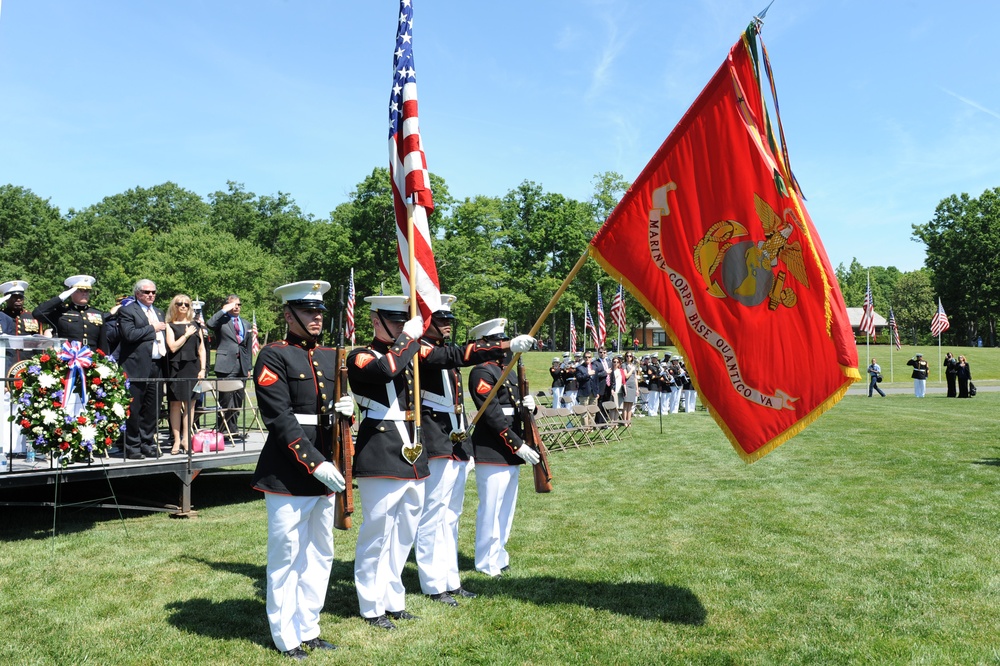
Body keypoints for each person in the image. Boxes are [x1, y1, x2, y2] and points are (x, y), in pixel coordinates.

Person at [251, 280, 353, 659]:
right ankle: (285, 636)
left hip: (326, 472)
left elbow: (334, 410)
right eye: (308, 311)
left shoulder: (329, 355)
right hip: (290, 473)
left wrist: (349, 411)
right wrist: (315, 463)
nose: (316, 318)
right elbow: (280, 420)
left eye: (319, 311)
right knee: (287, 557)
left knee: (320, 554)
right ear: (288, 314)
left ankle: (308, 627)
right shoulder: (273, 356)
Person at [414, 295, 533, 607]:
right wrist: (504, 346)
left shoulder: (441, 351)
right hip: (435, 438)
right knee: (434, 513)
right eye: (441, 319)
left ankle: (450, 580)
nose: (447, 324)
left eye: (449, 319)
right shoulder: (421, 349)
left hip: (454, 439)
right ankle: (432, 583)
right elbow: (454, 356)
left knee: (451, 515)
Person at [346, 295, 427, 630]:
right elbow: (384, 371)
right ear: (376, 321)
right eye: (394, 321)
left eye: (403, 321)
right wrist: (408, 337)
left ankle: (394, 598)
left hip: (411, 447)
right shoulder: (361, 355)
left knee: (404, 532)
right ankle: (371, 604)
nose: (400, 326)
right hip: (380, 448)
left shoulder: (406, 352)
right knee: (377, 532)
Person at [468, 318, 540, 578]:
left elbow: (515, 407)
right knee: (491, 509)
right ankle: (486, 561)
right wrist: (517, 445)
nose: (503, 346)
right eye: (497, 341)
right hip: (492, 448)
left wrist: (531, 407)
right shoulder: (481, 372)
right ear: (484, 344)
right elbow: (492, 414)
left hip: (510, 449)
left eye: (503, 340)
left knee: (506, 509)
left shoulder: (506, 371)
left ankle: (499, 555)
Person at [117, 279, 168, 459]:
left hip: (157, 364)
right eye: (147, 292)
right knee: (134, 407)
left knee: (152, 408)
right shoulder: (128, 311)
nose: (151, 295)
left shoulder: (159, 312)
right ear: (138, 294)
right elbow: (129, 335)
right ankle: (132, 446)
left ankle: (147, 443)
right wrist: (152, 328)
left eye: (153, 292)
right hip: (136, 365)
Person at [207, 295, 253, 444]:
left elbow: (247, 346)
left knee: (238, 399)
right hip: (226, 364)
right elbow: (210, 323)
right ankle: (223, 430)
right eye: (233, 304)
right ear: (227, 306)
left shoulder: (245, 323)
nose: (237, 307)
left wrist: (249, 366)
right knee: (226, 399)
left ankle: (233, 430)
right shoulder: (222, 321)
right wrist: (224, 310)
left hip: (242, 365)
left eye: (239, 304)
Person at [165, 294, 206, 455]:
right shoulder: (169, 325)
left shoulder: (196, 325)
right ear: (174, 306)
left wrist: (203, 369)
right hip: (176, 369)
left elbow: (201, 349)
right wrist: (186, 334)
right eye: (179, 303)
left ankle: (186, 439)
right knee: (175, 405)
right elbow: (172, 347)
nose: (183, 306)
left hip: (193, 369)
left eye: (186, 304)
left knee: (191, 405)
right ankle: (176, 440)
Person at [32, 275, 109, 354]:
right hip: (67, 358)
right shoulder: (61, 312)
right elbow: (37, 313)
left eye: (87, 291)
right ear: (71, 292)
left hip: (92, 358)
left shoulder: (98, 314)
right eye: (80, 290)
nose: (84, 294)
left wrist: (104, 359)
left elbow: (102, 343)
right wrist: (61, 298)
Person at [621, 351, 639, 422]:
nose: (629, 357)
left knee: (630, 404)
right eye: (627, 356)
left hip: (633, 386)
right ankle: (624, 421)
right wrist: (631, 370)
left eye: (630, 356)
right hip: (627, 385)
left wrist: (637, 389)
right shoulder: (624, 365)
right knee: (625, 404)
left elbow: (635, 378)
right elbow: (626, 376)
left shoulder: (634, 365)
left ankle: (629, 420)